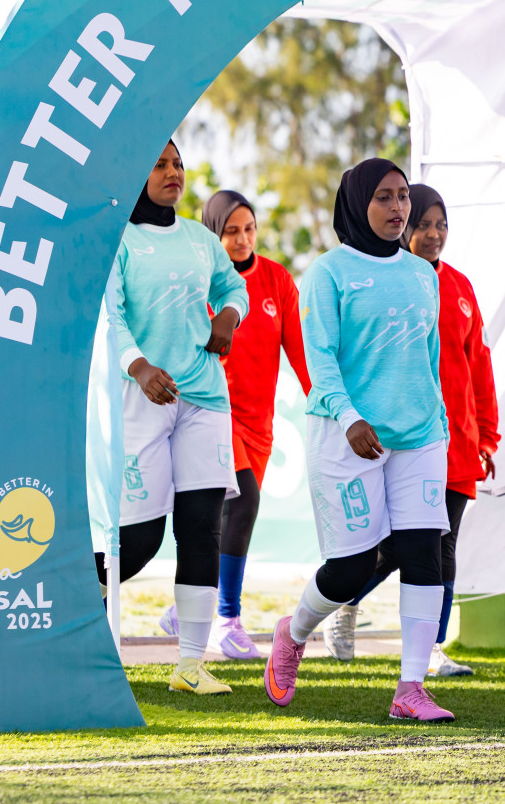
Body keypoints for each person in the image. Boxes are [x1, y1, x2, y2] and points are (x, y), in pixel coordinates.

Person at [263, 159, 456, 722]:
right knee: (351, 568)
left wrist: (440, 426)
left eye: (403, 196)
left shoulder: (423, 274)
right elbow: (319, 360)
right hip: (347, 434)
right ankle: (293, 632)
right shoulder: (327, 273)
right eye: (384, 197)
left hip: (419, 436)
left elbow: (429, 358)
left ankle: (410, 689)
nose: (398, 207)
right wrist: (349, 418)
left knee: (424, 554)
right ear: (356, 204)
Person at [325, 185, 500, 678]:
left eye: (441, 225)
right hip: (401, 437)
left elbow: (479, 364)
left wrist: (487, 435)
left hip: (457, 440)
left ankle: (432, 648)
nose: (433, 234)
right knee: (397, 547)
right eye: (424, 224)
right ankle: (343, 602)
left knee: (443, 545)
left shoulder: (460, 287)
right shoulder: (387, 281)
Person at [104, 141, 248, 694]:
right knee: (139, 537)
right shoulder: (119, 239)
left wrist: (228, 318)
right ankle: (76, 605)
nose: (173, 173)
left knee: (202, 531)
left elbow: (233, 284)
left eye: (178, 164)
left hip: (205, 399)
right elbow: (111, 315)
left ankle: (190, 665)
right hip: (143, 398)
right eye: (160, 164)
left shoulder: (199, 239)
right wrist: (138, 366)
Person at [200, 190, 312, 659]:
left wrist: (327, 403)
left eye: (249, 229)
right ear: (213, 234)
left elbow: (299, 349)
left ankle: (190, 608)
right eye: (231, 231)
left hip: (259, 425)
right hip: (212, 413)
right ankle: (227, 618)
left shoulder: (277, 280)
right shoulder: (200, 280)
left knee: (224, 518)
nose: (243, 239)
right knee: (243, 502)